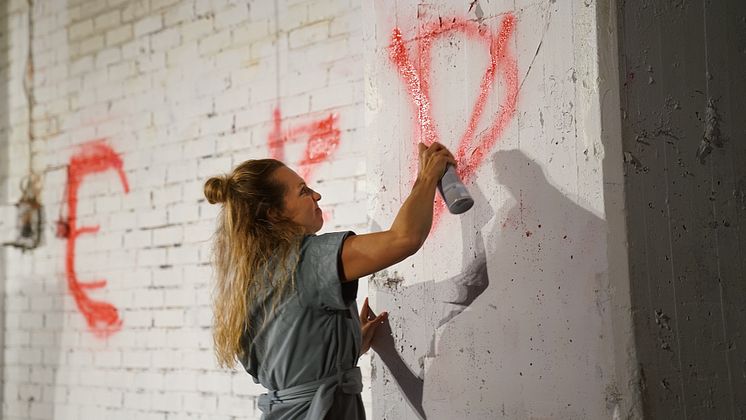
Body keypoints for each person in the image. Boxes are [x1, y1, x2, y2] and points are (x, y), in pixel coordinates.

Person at [203, 142, 457, 419]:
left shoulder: (250, 275)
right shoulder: (307, 259)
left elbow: (288, 356)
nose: (317, 195)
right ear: (274, 214)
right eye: (303, 191)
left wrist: (342, 346)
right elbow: (403, 238)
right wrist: (427, 177)